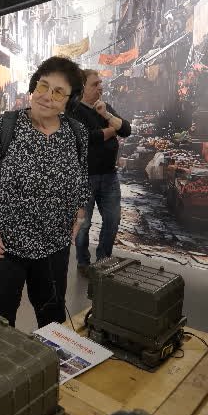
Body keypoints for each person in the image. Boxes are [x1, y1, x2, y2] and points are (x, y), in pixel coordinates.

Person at [0, 56, 90, 328]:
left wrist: (79, 217)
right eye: (43, 86)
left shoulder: (77, 133)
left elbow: (82, 179)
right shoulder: (2, 128)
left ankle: (50, 368)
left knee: (52, 316)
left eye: (58, 92)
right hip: (4, 245)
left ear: (69, 101)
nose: (47, 96)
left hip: (54, 247)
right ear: (34, 86)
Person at [72, 69, 131, 273]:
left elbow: (126, 130)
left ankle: (103, 259)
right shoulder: (74, 111)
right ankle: (83, 262)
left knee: (113, 221)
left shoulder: (105, 108)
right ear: (83, 88)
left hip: (109, 176)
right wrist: (110, 130)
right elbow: (87, 139)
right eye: (95, 84)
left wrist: (106, 115)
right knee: (84, 224)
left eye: (100, 83)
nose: (100, 87)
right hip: (85, 177)